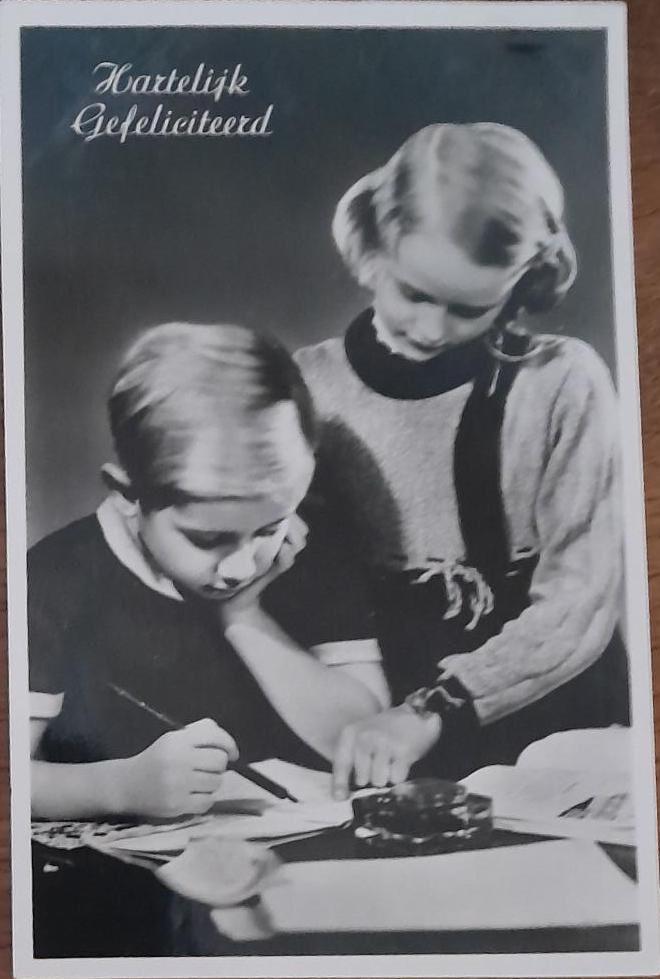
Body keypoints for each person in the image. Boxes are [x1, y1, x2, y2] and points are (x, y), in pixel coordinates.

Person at [294, 123, 630, 798]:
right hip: (373, 713)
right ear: (374, 248)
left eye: (470, 307)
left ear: (522, 282)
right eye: (412, 293)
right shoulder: (308, 386)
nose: (431, 329)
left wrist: (434, 708)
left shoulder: (564, 382)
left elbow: (579, 602)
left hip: (548, 714)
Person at [29, 322, 385, 821]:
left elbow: (364, 737)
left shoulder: (310, 549)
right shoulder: (58, 578)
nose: (242, 566)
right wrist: (118, 788)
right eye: (207, 539)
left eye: (268, 529)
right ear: (127, 494)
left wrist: (243, 615)